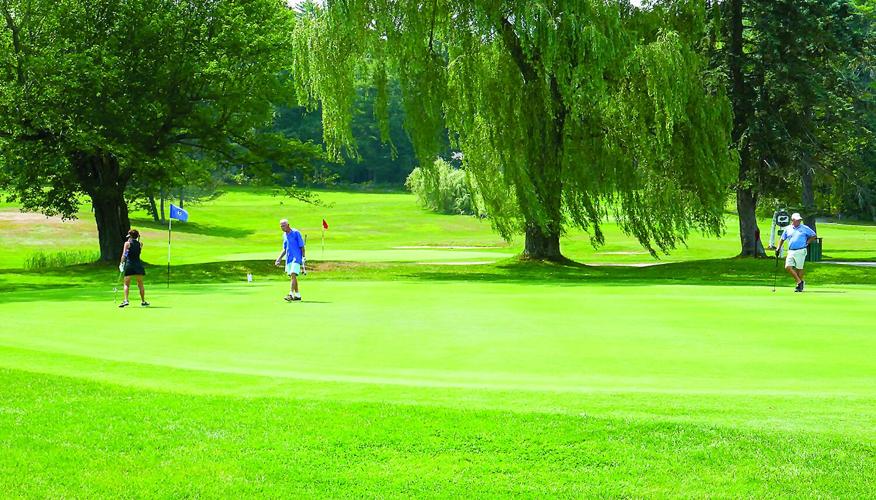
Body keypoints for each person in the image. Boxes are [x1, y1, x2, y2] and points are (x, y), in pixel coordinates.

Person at [775, 213, 817, 292]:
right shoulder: (788, 228)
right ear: (793, 220)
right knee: (788, 267)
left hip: (801, 250)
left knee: (799, 268)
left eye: (799, 220)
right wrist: (778, 248)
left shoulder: (804, 228)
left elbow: (813, 235)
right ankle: (800, 282)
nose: (799, 221)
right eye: (797, 220)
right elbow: (782, 238)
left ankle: (799, 286)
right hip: (791, 250)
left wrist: (807, 242)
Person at [274, 218, 305, 301]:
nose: (282, 227)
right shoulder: (284, 235)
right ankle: (297, 295)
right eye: (281, 226)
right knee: (292, 276)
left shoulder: (296, 233)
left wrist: (303, 257)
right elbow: (285, 249)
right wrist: (279, 259)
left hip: (296, 258)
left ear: (288, 225)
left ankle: (290, 294)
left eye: (283, 226)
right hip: (289, 259)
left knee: (293, 274)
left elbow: (301, 246)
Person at [119, 229, 149, 307]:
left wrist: (121, 263)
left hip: (129, 265)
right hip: (138, 265)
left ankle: (126, 300)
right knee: (140, 284)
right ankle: (143, 301)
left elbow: (124, 255)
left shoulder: (127, 244)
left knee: (126, 284)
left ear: (130, 236)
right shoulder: (140, 244)